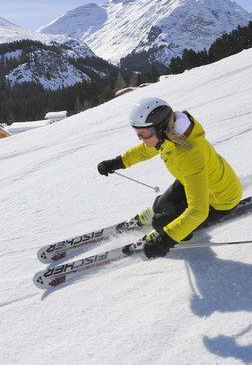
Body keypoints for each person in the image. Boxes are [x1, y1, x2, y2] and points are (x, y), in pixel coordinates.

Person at [97, 97, 243, 259]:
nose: (140, 137)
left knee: (160, 224)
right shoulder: (169, 136)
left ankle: (176, 231)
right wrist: (117, 162)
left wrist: (166, 239)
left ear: (159, 128)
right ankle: (168, 219)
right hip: (194, 182)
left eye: (143, 133)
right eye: (137, 132)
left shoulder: (189, 154)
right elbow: (145, 150)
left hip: (219, 201)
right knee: (159, 207)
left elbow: (198, 211)